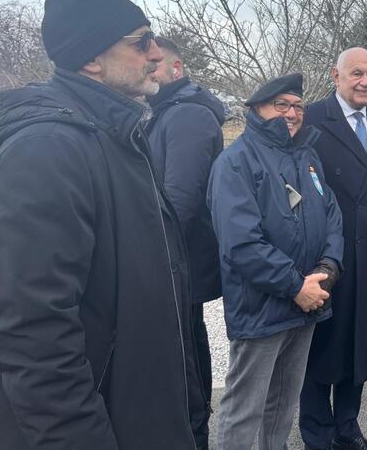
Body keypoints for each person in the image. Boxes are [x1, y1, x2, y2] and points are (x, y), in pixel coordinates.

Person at [0, 0, 200, 449]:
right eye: (141, 41)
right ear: (91, 59)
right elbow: (33, 338)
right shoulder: (46, 150)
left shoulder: (115, 135)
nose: (156, 53)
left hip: (138, 417)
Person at [208, 72, 343, 450]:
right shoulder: (235, 162)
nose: (292, 112)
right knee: (245, 406)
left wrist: (327, 270)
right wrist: (295, 286)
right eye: (280, 104)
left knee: (284, 402)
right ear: (256, 110)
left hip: (308, 300)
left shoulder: (308, 157)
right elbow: (241, 243)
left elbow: (332, 217)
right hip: (263, 305)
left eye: (297, 106)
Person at [299, 47, 367, 450]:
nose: (366, 82)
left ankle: (348, 428)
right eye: (357, 73)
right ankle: (317, 434)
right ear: (336, 76)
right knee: (321, 349)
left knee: (360, 347)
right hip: (327, 256)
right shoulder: (311, 119)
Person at [145, 36, 226, 449]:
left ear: (176, 69)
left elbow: (180, 199)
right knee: (185, 350)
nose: (148, 68)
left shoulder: (186, 117)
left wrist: (148, 258)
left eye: (155, 64)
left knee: (184, 360)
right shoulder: (166, 113)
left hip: (177, 260)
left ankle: (195, 436)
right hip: (176, 260)